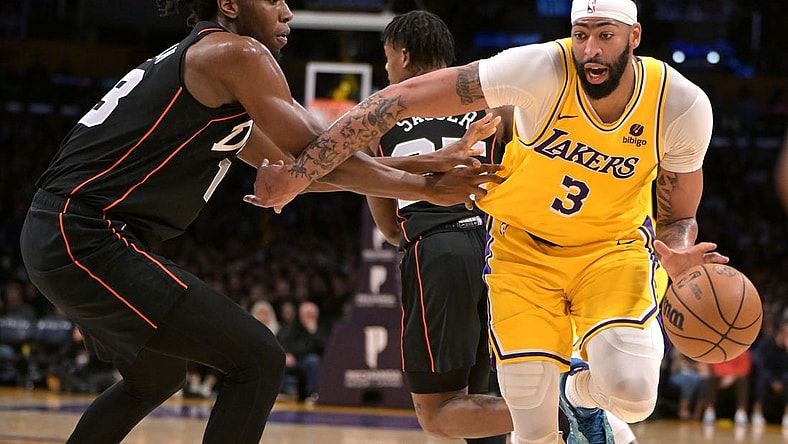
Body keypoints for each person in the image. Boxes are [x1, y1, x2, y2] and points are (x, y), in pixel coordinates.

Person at [246, 1, 731, 443]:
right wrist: (300, 174)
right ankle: (562, 405)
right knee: (528, 423)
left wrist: (678, 244)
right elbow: (414, 112)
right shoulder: (530, 75)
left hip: (599, 249)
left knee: (628, 396)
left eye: (605, 35)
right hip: (513, 249)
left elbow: (679, 214)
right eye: (581, 34)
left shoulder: (680, 104)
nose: (590, 49)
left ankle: (573, 399)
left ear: (635, 36)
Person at [17, 0, 502, 442]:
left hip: (64, 233)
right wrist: (425, 187)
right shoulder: (235, 53)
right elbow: (313, 149)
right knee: (259, 360)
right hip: (84, 234)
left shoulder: (213, 74)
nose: (287, 12)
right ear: (229, 5)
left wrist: (424, 166)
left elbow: (307, 174)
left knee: (157, 377)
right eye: (273, 0)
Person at [276, 300, 329, 402]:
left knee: (313, 360)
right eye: (307, 314)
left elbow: (325, 348)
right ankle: (278, 392)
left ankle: (311, 393)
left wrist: (313, 332)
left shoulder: (322, 329)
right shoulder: (292, 328)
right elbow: (282, 342)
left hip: (310, 362)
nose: (309, 317)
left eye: (312, 314)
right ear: (300, 314)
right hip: (293, 361)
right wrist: (286, 354)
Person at [750, 318, 788, 428]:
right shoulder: (766, 344)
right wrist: (772, 380)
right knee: (762, 379)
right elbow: (761, 365)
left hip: (783, 378)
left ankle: (786, 415)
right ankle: (757, 412)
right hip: (766, 376)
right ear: (780, 332)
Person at [702, 350, 752, 426]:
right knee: (712, 378)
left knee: (742, 380)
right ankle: (709, 410)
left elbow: (744, 369)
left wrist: (732, 376)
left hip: (735, 379)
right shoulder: (717, 350)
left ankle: (741, 412)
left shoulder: (742, 350)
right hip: (720, 378)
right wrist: (724, 376)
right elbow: (714, 366)